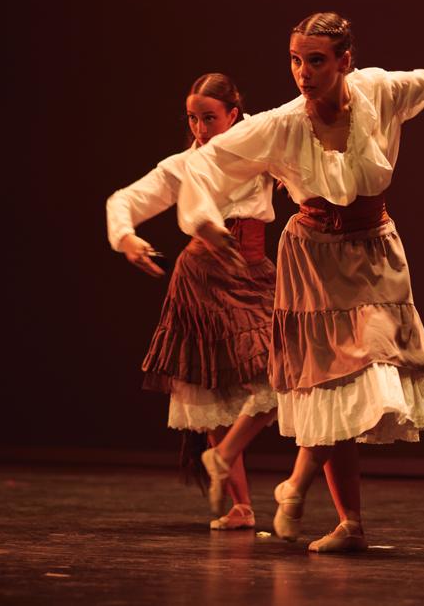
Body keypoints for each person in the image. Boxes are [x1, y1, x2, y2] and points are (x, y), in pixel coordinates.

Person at [176, 12, 424, 552]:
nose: (303, 72)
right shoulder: (284, 122)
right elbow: (206, 164)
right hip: (314, 258)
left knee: (371, 364)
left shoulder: (380, 92)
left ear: (344, 61)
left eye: (315, 60)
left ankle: (296, 486)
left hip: (372, 250)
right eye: (295, 60)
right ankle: (348, 523)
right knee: (336, 383)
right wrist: (200, 216)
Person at [106, 73, 279, 530]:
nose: (201, 128)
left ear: (233, 116)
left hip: (253, 272)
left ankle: (221, 457)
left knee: (283, 372)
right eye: (193, 119)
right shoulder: (184, 165)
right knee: (210, 388)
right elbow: (126, 199)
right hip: (202, 276)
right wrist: (126, 238)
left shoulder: (258, 146)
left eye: (210, 118)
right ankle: (241, 505)